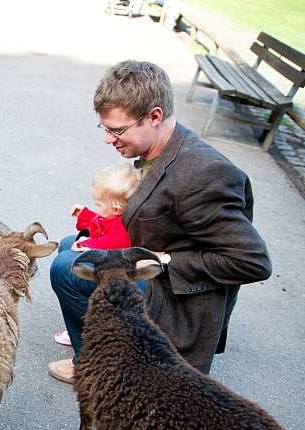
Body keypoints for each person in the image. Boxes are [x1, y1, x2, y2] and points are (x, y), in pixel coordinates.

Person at [47, 59, 272, 384]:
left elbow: (251, 261)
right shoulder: (162, 150)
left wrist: (164, 261)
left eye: (117, 130)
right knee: (71, 244)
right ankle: (103, 346)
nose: (108, 139)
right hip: (152, 257)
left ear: (154, 116)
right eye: (106, 128)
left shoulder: (204, 174)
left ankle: (97, 363)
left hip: (176, 295)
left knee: (64, 270)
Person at [53, 162, 140, 347]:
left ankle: (89, 331)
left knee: (68, 264)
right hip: (108, 266)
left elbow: (113, 243)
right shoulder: (113, 216)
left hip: (115, 271)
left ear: (116, 208)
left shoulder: (121, 227)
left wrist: (88, 245)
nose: (96, 206)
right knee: (67, 246)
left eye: (98, 204)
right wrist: (84, 214)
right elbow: (99, 222)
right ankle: (77, 326)